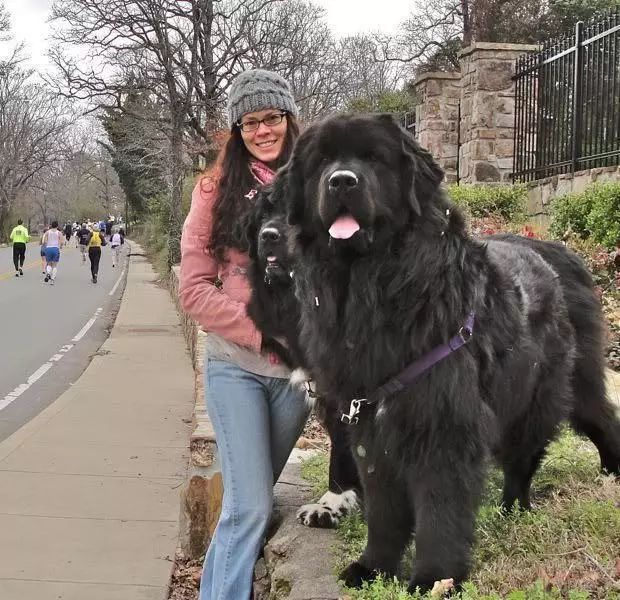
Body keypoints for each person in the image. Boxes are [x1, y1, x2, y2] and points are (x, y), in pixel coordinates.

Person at [179, 69, 308, 600]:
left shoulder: (317, 181)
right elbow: (193, 289)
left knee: (243, 505)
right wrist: (264, 333)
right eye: (250, 121)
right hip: (238, 367)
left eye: (272, 117)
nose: (262, 130)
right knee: (250, 507)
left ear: (289, 120)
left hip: (300, 376)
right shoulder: (214, 191)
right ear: (237, 129)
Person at [42, 220, 64, 285]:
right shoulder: (59, 233)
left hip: (48, 248)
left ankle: (48, 273)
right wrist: (60, 246)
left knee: (48, 264)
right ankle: (52, 279)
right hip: (55, 248)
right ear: (57, 226)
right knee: (54, 265)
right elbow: (62, 242)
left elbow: (44, 241)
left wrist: (46, 247)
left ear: (51, 225)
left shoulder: (47, 232)